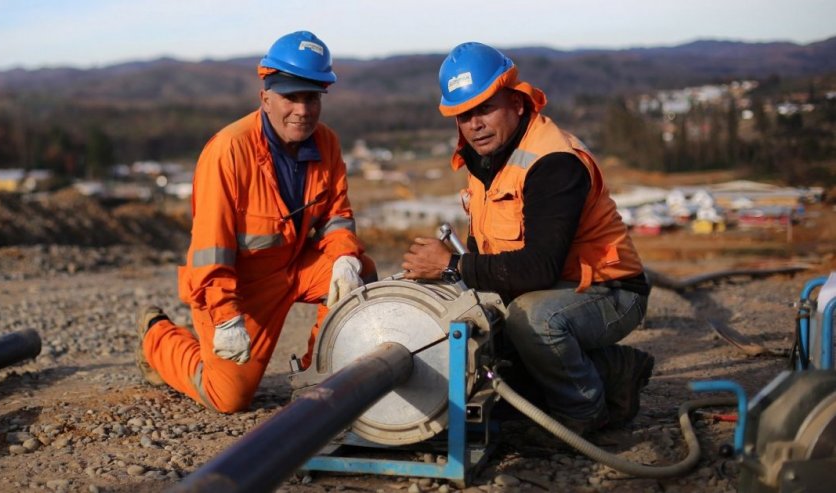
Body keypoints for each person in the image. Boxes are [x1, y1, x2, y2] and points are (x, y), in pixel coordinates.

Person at [402, 42, 653, 435]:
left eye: (485, 108)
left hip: (610, 290)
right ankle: (614, 370)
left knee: (532, 321)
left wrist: (451, 263)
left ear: (517, 103)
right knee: (486, 352)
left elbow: (539, 268)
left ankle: (583, 413)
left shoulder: (553, 161)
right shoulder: (486, 158)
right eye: (463, 115)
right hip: (553, 286)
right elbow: (489, 250)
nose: (474, 124)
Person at [136, 31, 375, 413]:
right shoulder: (228, 152)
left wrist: (345, 259)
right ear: (265, 98)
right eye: (290, 97)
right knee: (227, 398)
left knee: (359, 272)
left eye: (311, 97)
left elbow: (336, 217)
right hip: (242, 287)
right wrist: (227, 316)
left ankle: (321, 370)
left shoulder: (326, 143)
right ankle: (158, 337)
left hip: (295, 267)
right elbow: (210, 250)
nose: (302, 109)